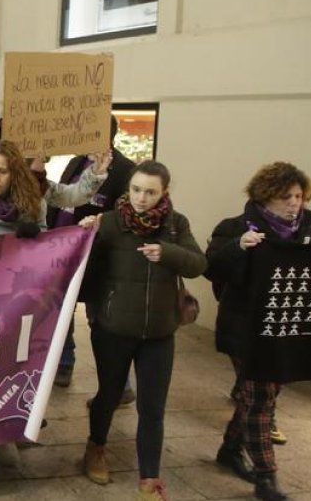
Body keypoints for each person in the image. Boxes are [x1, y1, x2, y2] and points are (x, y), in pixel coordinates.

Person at [0, 140, 109, 490]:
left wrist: (96, 171)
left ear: (14, 172)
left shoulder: (34, 192)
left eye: (2, 171)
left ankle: (4, 435)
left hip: (21, 301)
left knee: (13, 370)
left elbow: (72, 196)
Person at [79, 161, 207, 501]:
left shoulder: (176, 225)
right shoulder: (109, 222)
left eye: (150, 191)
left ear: (164, 192)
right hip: (113, 328)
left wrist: (168, 254)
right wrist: (82, 231)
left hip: (160, 333)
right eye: (136, 189)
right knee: (109, 393)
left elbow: (198, 264)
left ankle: (150, 480)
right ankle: (96, 447)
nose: (141, 198)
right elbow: (80, 260)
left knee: (153, 407)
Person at [206, 163, 311, 501]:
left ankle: (230, 449)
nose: (294, 204)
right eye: (285, 197)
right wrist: (240, 247)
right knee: (260, 398)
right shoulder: (235, 227)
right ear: (264, 198)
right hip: (244, 328)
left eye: (299, 196)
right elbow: (211, 266)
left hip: (283, 328)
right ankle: (266, 477)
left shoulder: (309, 233)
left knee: (256, 394)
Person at [48, 117, 136, 388]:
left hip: (99, 258)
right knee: (61, 312)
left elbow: (126, 214)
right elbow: (62, 197)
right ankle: (64, 362)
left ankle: (117, 385)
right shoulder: (76, 162)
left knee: (101, 322)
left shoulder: (125, 169)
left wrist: (100, 224)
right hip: (63, 252)